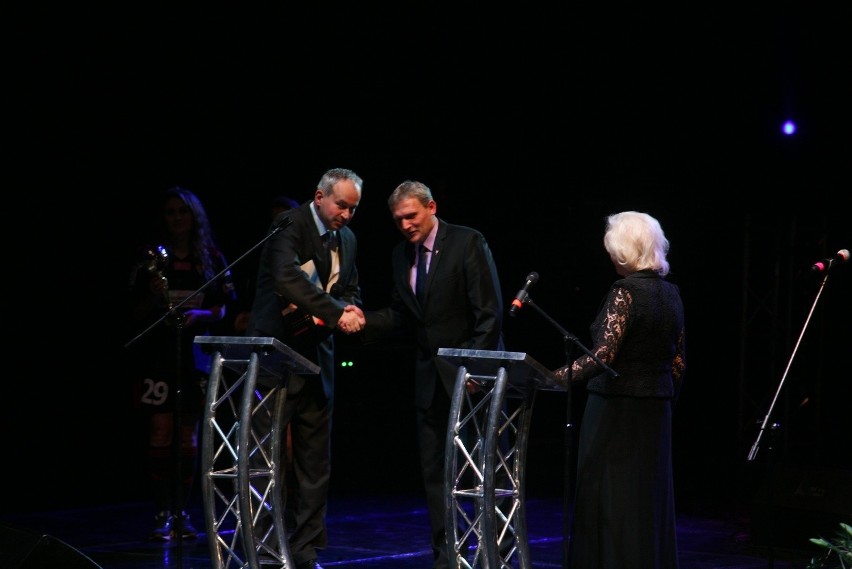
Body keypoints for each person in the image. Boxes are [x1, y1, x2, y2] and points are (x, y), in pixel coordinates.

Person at [361, 180, 505, 569]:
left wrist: (477, 368)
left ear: (431, 208)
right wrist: (360, 320)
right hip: (429, 382)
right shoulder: (399, 255)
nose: (406, 225)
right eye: (398, 220)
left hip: (471, 381)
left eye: (411, 216)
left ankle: (492, 552)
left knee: (480, 473)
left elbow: (488, 313)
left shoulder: (466, 242)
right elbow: (400, 315)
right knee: (436, 476)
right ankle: (447, 557)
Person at [245, 168, 365, 569]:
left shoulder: (346, 239)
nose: (347, 215)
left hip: (317, 358)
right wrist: (332, 313)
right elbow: (286, 277)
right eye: (341, 205)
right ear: (319, 196)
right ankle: (264, 546)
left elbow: (350, 288)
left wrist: (348, 310)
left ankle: (306, 547)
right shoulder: (289, 225)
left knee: (315, 460)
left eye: (353, 208)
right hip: (277, 355)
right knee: (267, 457)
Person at [552, 211, 686, 568]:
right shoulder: (672, 294)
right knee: (646, 500)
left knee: (609, 498)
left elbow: (603, 355)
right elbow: (678, 364)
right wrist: (662, 399)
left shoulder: (625, 291)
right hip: (655, 411)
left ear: (624, 251)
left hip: (614, 410)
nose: (610, 257)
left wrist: (554, 378)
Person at [126, 186, 236, 540]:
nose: (176, 218)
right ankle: (161, 512)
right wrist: (158, 301)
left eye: (183, 211)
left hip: (195, 357)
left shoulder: (212, 258)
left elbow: (223, 307)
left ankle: (181, 512)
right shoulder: (151, 260)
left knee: (188, 436)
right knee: (161, 431)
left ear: (194, 217)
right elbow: (133, 311)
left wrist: (199, 313)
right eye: (171, 212)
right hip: (158, 356)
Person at [229, 194, 300, 335]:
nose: (278, 229)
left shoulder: (303, 255)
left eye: (283, 222)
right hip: (262, 329)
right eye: (275, 222)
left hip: (294, 331)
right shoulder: (260, 255)